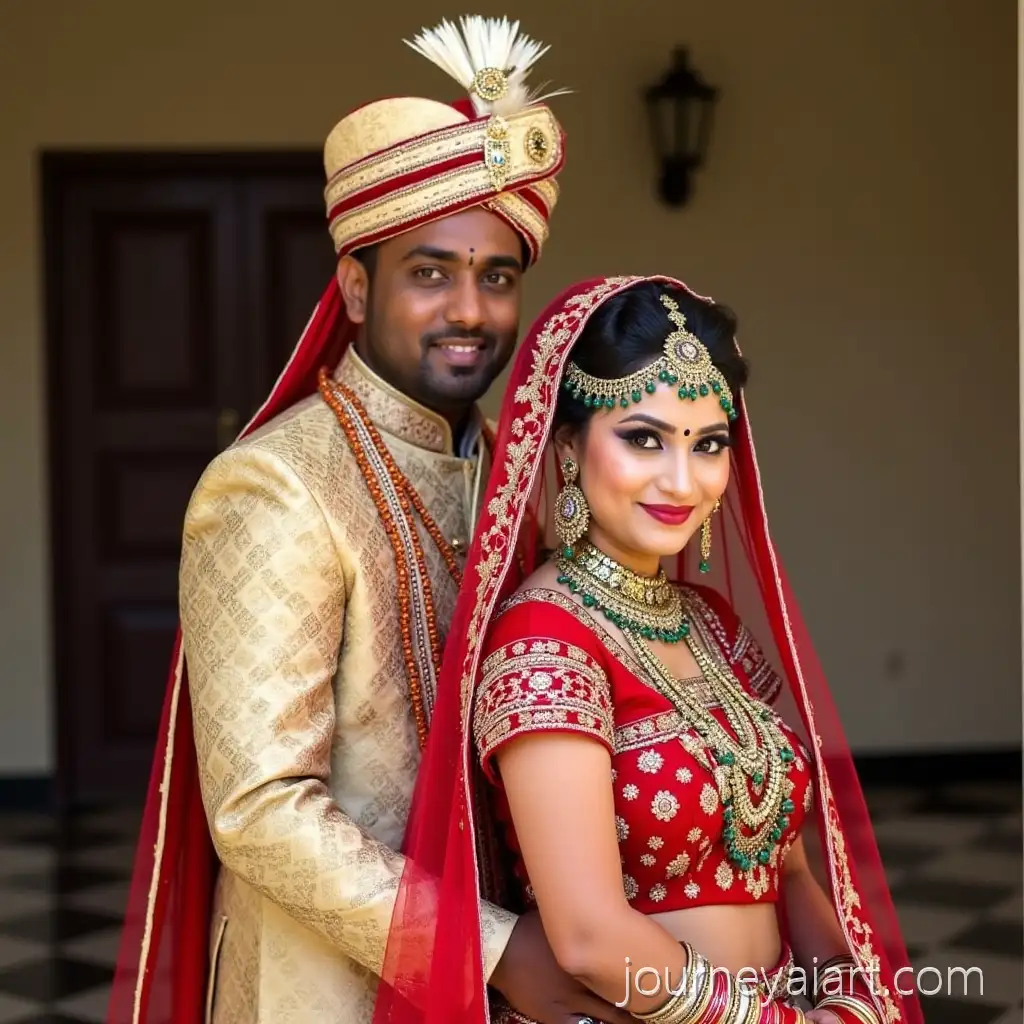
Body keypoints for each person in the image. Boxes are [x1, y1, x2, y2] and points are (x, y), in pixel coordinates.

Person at [107, 18, 632, 1024]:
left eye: (496, 275)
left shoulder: (518, 476)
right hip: (323, 987)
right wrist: (489, 945)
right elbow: (259, 811)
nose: (470, 309)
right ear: (356, 288)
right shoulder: (272, 486)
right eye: (429, 272)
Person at [370, 275, 926, 1024]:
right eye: (643, 438)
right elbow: (590, 937)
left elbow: (784, 866)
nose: (681, 480)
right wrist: (769, 1023)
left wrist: (845, 995)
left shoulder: (711, 624)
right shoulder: (545, 639)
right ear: (568, 445)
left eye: (708, 445)